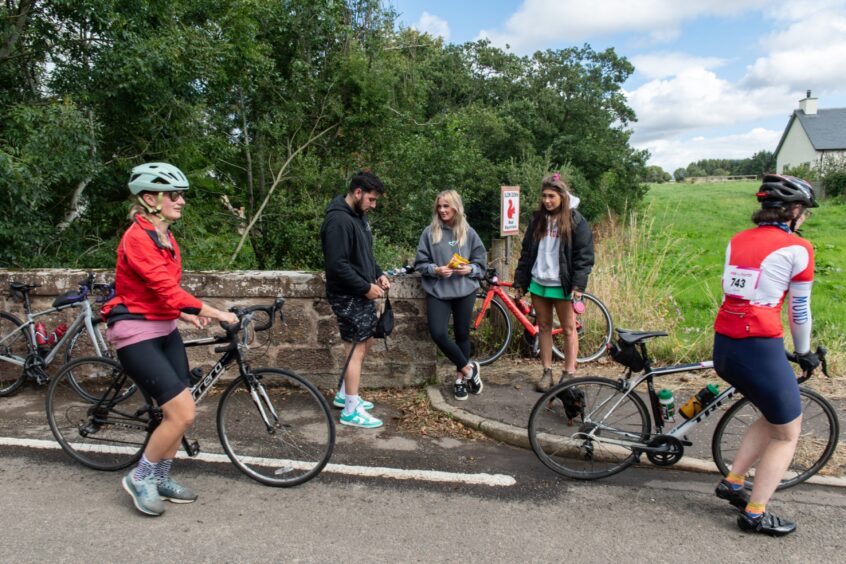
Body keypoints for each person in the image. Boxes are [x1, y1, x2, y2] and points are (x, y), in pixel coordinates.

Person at [101, 162, 239, 517]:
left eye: (181, 195)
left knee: (180, 413)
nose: (181, 201)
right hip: (135, 333)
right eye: (174, 195)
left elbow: (161, 291)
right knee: (182, 411)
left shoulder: (165, 236)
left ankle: (161, 476)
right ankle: (140, 477)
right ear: (149, 198)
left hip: (164, 329)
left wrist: (184, 312)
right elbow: (164, 287)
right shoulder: (136, 238)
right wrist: (217, 312)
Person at [712, 174, 820, 536]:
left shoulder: (737, 240)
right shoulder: (799, 248)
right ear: (792, 211)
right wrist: (804, 353)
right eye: (803, 211)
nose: (803, 218)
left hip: (725, 344)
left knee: (774, 415)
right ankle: (755, 513)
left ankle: (734, 481)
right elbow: (799, 311)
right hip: (757, 343)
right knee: (789, 432)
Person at [320, 171, 391, 429]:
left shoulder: (358, 217)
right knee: (355, 349)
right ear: (357, 192)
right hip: (347, 295)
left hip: (359, 291)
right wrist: (365, 287)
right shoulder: (338, 221)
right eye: (371, 199)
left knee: (365, 341)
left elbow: (364, 254)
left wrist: (378, 273)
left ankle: (344, 394)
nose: (373, 205)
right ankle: (350, 410)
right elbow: (336, 266)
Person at [512, 173, 595, 392]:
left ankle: (569, 373)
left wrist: (578, 286)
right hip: (539, 282)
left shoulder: (576, 220)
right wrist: (520, 280)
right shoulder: (537, 220)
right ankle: (547, 372)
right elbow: (527, 252)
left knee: (568, 329)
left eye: (551, 196)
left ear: (562, 196)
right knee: (544, 328)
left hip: (563, 284)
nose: (547, 201)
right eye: (544, 196)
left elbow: (584, 256)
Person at [414, 190, 487, 400]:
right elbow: (420, 263)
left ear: (456, 207)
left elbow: (480, 262)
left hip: (465, 289)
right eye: (439, 206)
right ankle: (469, 369)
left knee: (462, 334)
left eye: (446, 206)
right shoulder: (430, 232)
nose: (442, 210)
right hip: (438, 290)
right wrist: (435, 270)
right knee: (438, 332)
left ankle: (460, 381)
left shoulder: (469, 232)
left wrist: (470, 269)